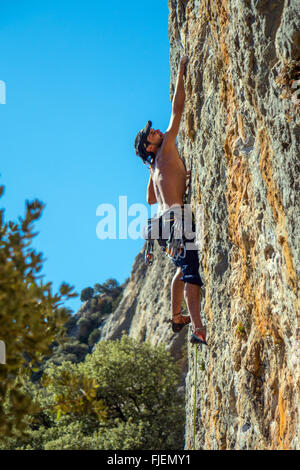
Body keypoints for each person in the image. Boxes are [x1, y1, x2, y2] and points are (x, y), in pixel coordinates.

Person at [134, 56, 207, 345]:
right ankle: (197, 329)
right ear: (150, 145)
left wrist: (165, 173)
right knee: (191, 272)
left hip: (159, 226)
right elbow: (178, 109)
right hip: (176, 220)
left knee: (181, 268)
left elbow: (151, 197)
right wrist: (181, 71)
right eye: (151, 133)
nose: (157, 131)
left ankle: (177, 316)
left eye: (154, 130)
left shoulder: (154, 165)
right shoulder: (165, 147)